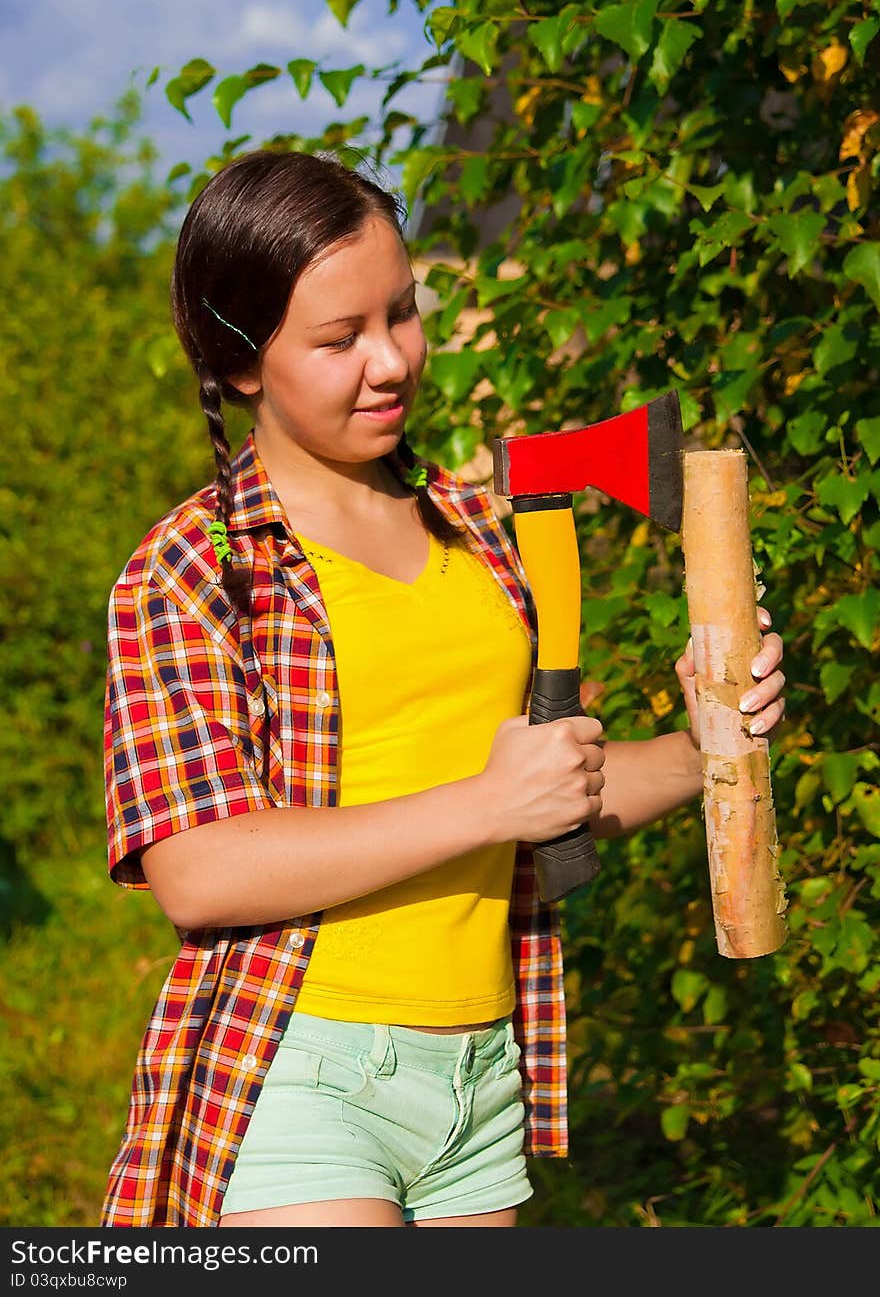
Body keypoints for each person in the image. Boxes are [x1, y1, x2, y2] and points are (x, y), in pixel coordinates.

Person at [100, 148, 786, 1230]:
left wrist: (711, 740)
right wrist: (486, 805)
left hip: (481, 1077)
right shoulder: (191, 570)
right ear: (239, 363)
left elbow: (553, 799)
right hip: (300, 1068)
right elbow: (197, 868)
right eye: (338, 339)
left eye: (402, 314)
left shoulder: (477, 529)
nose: (391, 362)